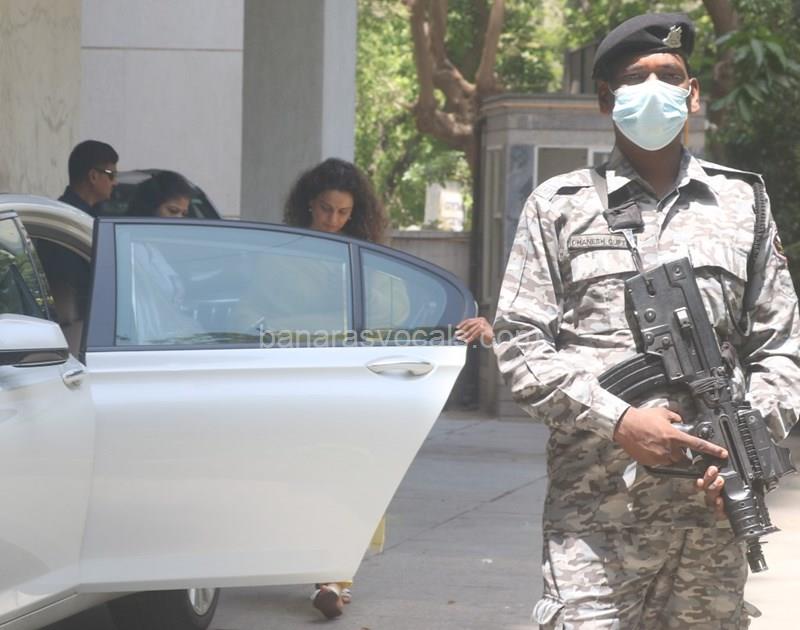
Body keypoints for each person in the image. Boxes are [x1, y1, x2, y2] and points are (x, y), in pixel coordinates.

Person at [493, 12, 800, 630]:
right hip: (596, 520)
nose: (655, 88)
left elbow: (782, 346)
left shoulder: (743, 202)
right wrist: (619, 420)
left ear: (693, 94)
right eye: (636, 78)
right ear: (607, 100)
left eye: (670, 75)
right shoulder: (560, 207)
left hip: (714, 520)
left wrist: (748, 441)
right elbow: (519, 344)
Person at [58, 140, 119, 216]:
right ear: (93, 176)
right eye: (112, 175)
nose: (115, 183)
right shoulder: (67, 216)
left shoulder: (94, 212)